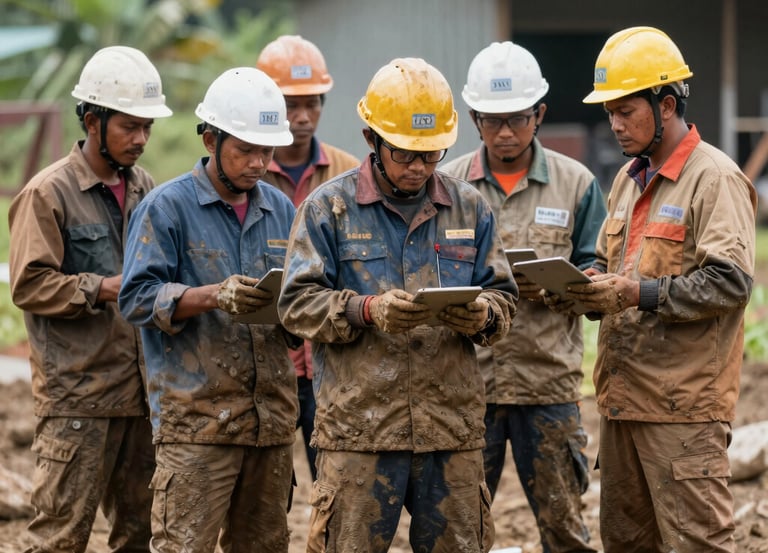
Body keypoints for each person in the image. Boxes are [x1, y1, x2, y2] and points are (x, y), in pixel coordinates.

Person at [278, 57, 518, 553]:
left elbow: (504, 295)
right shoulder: (328, 209)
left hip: (450, 431)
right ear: (372, 140)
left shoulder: (469, 206)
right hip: (359, 434)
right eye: (405, 154)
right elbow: (296, 303)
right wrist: (365, 311)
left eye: (432, 155)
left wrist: (484, 315)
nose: (418, 168)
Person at [573, 26, 757, 552]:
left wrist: (636, 294)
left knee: (699, 543)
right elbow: (619, 271)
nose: (614, 124)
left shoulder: (713, 177)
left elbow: (730, 283)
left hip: (682, 414)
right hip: (621, 406)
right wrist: (591, 287)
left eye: (626, 110)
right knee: (628, 543)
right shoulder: (626, 182)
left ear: (667, 103)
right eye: (609, 112)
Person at [118, 67, 299, 553]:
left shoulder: (281, 210)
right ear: (210, 139)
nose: (259, 163)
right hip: (198, 427)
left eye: (268, 151)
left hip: (271, 425)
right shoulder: (166, 208)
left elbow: (301, 301)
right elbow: (135, 298)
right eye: (245, 150)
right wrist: (212, 295)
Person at [440, 41, 606, 553]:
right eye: (492, 121)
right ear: (473, 119)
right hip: (468, 388)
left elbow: (598, 268)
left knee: (563, 527)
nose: (505, 133)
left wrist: (567, 287)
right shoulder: (446, 187)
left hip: (548, 387)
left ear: (539, 115)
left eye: (517, 119)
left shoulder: (576, 184)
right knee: (461, 528)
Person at [7, 45, 172, 553]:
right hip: (77, 399)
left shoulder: (145, 187)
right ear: (92, 119)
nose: (141, 139)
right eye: (129, 126)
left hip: (141, 396)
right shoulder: (47, 194)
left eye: (147, 126)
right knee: (60, 536)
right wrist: (100, 286)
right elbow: (29, 285)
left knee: (140, 535)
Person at [256, 34, 360, 481]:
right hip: (266, 361)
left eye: (312, 103)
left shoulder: (349, 172)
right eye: (289, 104)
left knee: (338, 484)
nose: (302, 117)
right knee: (269, 497)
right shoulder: (246, 173)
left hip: (333, 359)